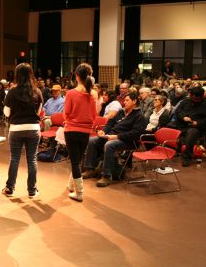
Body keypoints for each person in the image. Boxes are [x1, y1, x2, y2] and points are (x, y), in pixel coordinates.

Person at [82, 92, 147, 188]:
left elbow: (135, 134)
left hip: (128, 141)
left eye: (127, 100)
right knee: (92, 140)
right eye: (124, 100)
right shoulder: (121, 112)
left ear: (134, 101)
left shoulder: (139, 116)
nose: (124, 102)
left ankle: (106, 175)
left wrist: (116, 137)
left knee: (109, 145)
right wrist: (103, 131)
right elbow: (110, 123)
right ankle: (90, 169)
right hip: (111, 136)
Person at [2, 63, 43, 198]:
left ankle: (10, 189)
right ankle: (32, 190)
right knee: (32, 160)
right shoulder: (37, 92)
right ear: (31, 74)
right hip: (33, 129)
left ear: (17, 75)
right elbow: (39, 112)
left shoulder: (12, 92)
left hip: (16, 129)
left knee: (14, 159)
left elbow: (7, 113)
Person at [63, 63, 97, 201]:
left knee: (75, 162)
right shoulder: (93, 94)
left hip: (71, 130)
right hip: (86, 131)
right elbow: (94, 115)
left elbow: (66, 114)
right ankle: (71, 185)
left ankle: (79, 192)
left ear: (77, 77)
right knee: (77, 160)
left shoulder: (71, 93)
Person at [172, 86, 206, 167]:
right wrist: (183, 117)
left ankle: (187, 157)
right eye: (193, 98)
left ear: (202, 96)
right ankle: (171, 151)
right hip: (182, 124)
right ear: (191, 95)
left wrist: (198, 123)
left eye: (197, 99)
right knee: (167, 127)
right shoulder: (186, 101)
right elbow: (178, 111)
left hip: (197, 128)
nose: (195, 100)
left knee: (191, 133)